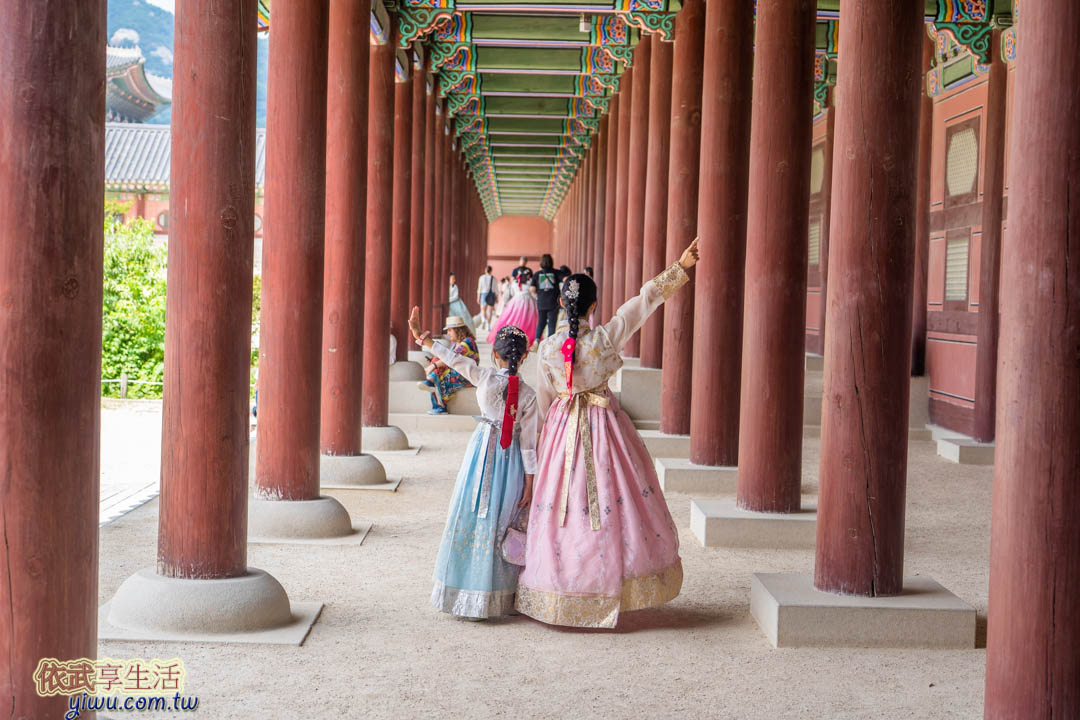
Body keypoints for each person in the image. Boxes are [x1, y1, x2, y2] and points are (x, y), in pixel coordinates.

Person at [515, 238, 701, 629]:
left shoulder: (548, 348)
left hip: (563, 426)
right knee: (613, 505)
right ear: (594, 306)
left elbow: (547, 401)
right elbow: (642, 304)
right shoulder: (603, 338)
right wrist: (679, 268)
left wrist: (548, 442)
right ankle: (612, 581)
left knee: (562, 507)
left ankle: (558, 588)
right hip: (605, 427)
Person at [409, 308, 538, 620]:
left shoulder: (484, 376)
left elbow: (454, 360)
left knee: (472, 512)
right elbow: (530, 443)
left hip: (481, 454)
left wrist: (423, 339)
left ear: (493, 354)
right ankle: (501, 594)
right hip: (512, 463)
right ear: (525, 357)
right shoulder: (530, 395)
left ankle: (465, 590)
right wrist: (531, 482)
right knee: (503, 518)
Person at [418, 316, 478, 415]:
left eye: (450, 330)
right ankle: (432, 384)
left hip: (467, 374)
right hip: (456, 372)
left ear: (458, 330)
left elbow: (452, 358)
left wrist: (433, 365)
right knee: (438, 367)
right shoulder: (454, 344)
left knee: (438, 371)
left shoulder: (468, 342)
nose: (448, 333)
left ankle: (438, 402)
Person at [487, 266, 538, 346]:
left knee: (511, 320)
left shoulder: (514, 283)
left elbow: (508, 295)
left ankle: (510, 337)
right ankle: (525, 339)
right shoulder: (529, 283)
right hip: (528, 303)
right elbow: (534, 293)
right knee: (527, 321)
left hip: (516, 302)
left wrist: (506, 304)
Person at [530, 254, 565, 345]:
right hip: (553, 301)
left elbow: (532, 289)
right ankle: (550, 343)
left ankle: (537, 340)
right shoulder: (556, 272)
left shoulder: (537, 274)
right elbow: (565, 279)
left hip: (541, 302)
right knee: (552, 323)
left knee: (541, 322)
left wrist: (539, 294)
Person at [476, 266, 498, 331]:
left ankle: (483, 320)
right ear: (491, 271)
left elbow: (479, 288)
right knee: (489, 311)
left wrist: (478, 297)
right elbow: (496, 290)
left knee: (483, 309)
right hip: (492, 295)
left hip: (484, 294)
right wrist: (496, 298)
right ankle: (488, 325)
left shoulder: (481, 278)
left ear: (485, 270)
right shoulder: (494, 279)